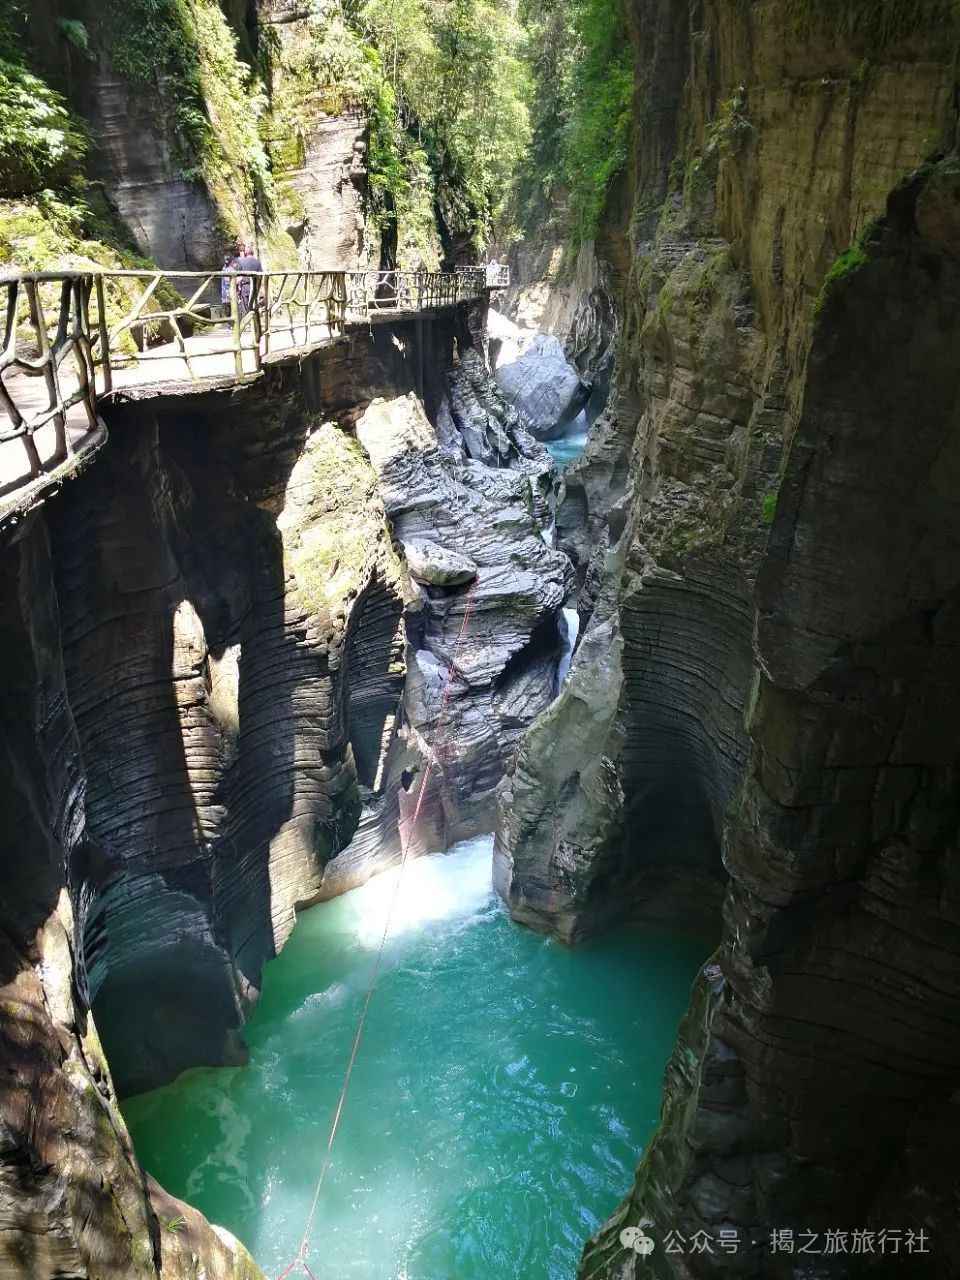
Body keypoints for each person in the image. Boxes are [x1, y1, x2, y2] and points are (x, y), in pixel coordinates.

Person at [235, 243, 263, 316]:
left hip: (245, 285)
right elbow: (261, 275)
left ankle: (246, 319)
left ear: (246, 253)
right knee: (253, 303)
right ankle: (253, 318)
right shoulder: (258, 263)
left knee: (244, 304)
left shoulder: (241, 262)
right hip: (254, 286)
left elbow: (238, 275)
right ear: (252, 253)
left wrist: (238, 287)